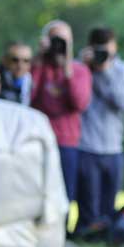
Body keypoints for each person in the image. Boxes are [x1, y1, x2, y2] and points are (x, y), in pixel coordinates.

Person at [74, 26, 124, 237]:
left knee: (108, 208)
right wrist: (84, 67)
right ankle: (84, 240)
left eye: (107, 51)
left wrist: (106, 72)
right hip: (86, 145)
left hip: (113, 147)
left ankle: (106, 240)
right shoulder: (79, 67)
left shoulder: (120, 69)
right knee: (88, 206)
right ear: (90, 48)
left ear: (114, 48)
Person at [30, 20, 92, 202]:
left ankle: (63, 231)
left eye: (64, 40)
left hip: (67, 142)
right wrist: (39, 60)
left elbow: (79, 103)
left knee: (64, 196)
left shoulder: (79, 70)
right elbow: (28, 96)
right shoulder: (37, 67)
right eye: (55, 39)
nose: (59, 44)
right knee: (36, 194)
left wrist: (67, 68)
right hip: (38, 139)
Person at [0, 41, 33, 105]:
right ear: (4, 60)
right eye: (15, 60)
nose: (20, 65)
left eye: (26, 61)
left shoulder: (32, 82)